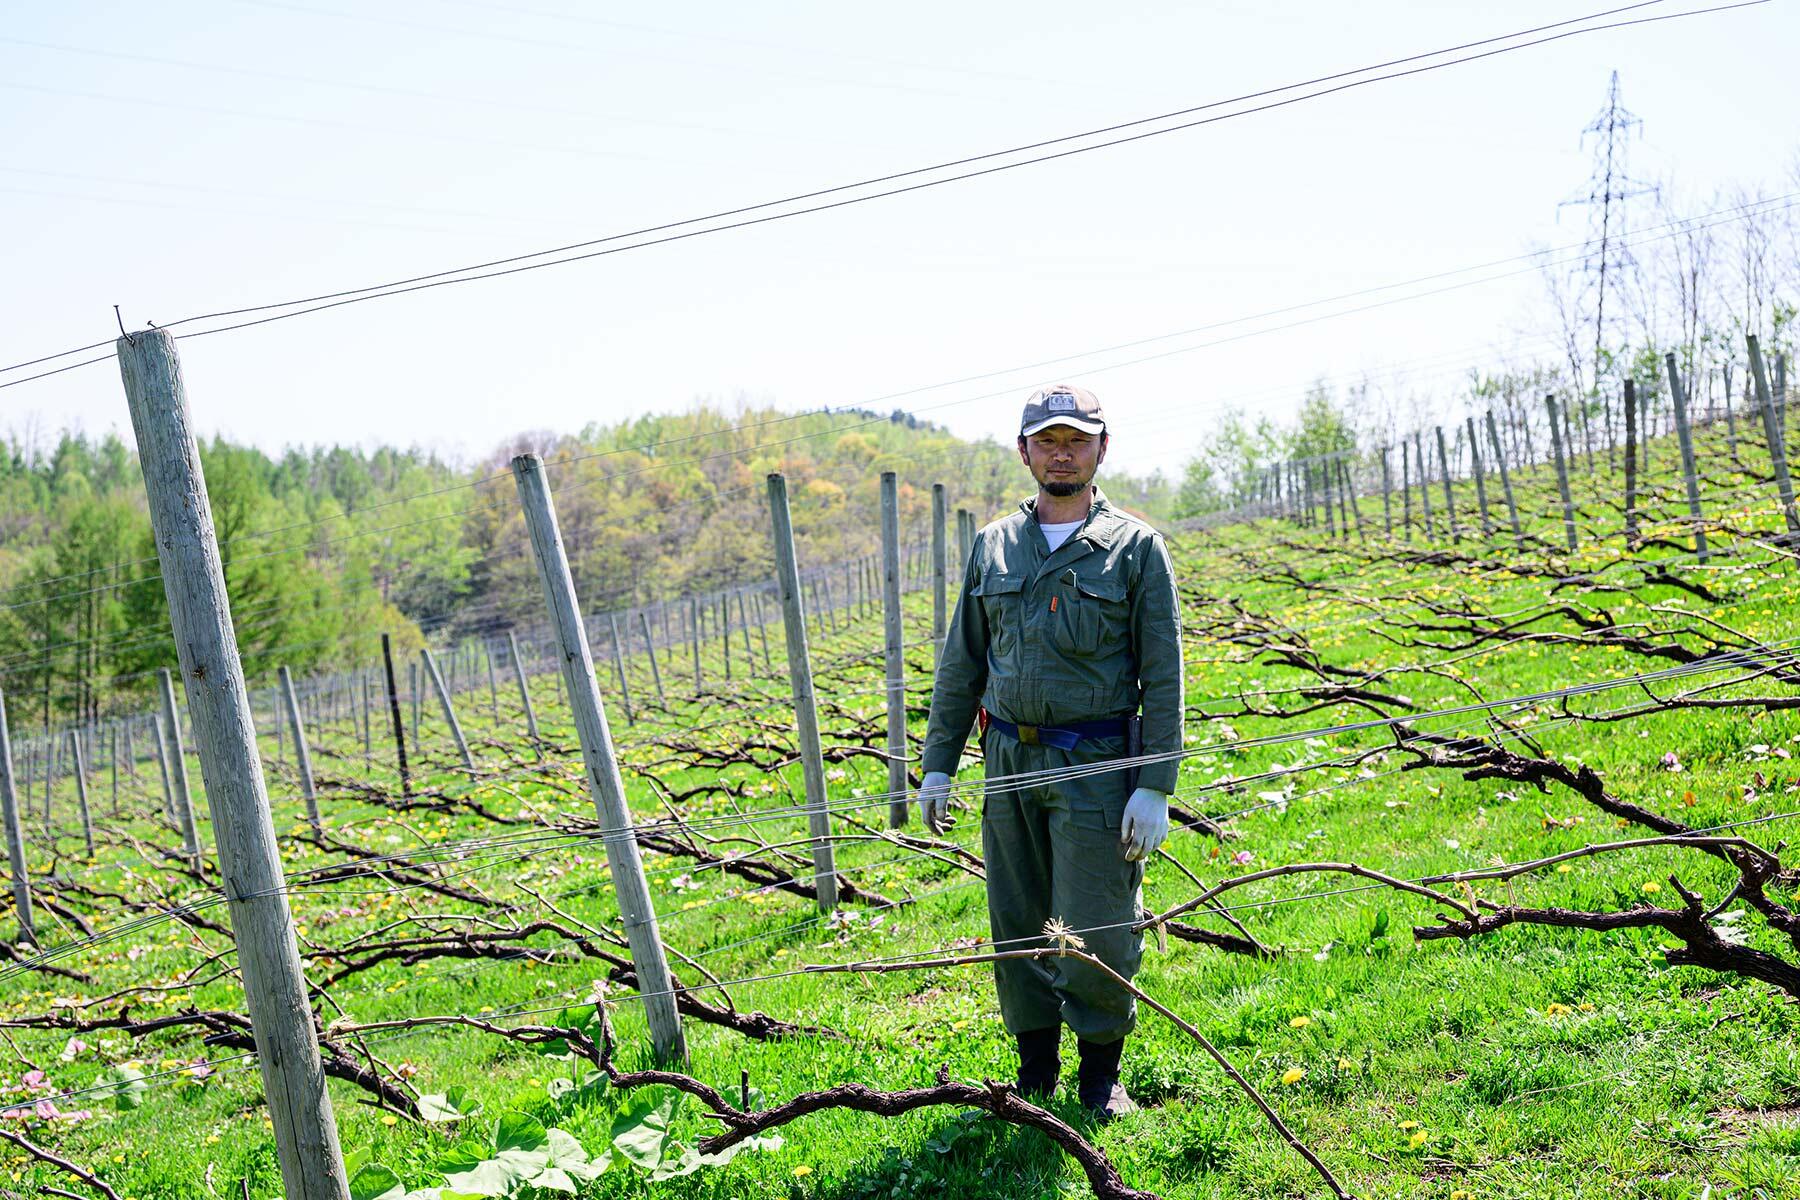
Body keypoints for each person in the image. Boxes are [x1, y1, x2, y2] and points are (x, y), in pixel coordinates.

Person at [915, 384, 1183, 1118]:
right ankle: (1035, 1076)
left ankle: (1101, 1077)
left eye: (1077, 438)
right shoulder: (994, 545)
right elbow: (961, 662)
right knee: (1018, 921)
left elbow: (1162, 676)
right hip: (1006, 762)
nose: (1061, 451)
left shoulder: (1134, 549)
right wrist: (939, 762)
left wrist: (1154, 784)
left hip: (1094, 765)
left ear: (1102, 447)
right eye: (1047, 439)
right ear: (1024, 449)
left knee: (1096, 923)